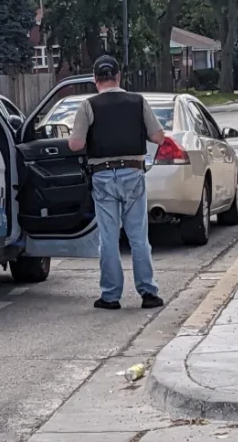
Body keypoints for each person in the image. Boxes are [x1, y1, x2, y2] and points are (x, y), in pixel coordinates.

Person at [68, 55, 166, 310]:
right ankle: (148, 292)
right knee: (138, 237)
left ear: (94, 79)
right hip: (133, 173)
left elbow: (76, 144)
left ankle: (111, 296)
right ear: (119, 76)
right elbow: (158, 137)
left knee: (109, 238)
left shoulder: (88, 106)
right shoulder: (138, 102)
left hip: (102, 176)